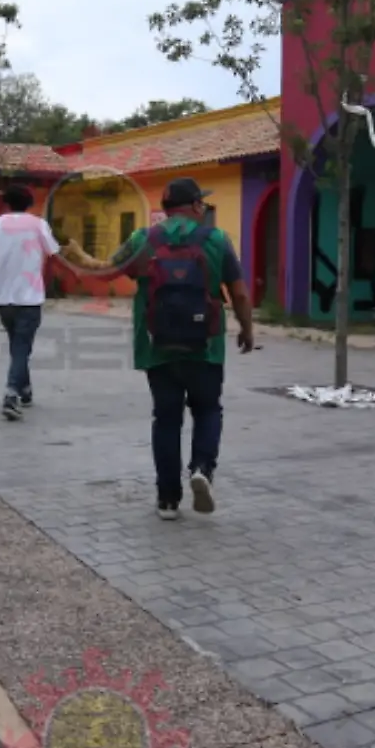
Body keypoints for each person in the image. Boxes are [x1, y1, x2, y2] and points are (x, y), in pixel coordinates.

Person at [109, 177, 255, 520]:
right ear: (195, 206)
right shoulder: (217, 239)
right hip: (205, 346)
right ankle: (202, 468)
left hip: (157, 347)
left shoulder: (143, 238)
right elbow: (240, 293)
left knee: (166, 419)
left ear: (166, 207)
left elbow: (113, 266)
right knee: (207, 410)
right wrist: (247, 329)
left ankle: (167, 500)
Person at [0, 184, 65, 420]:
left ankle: (25, 389)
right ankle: (11, 394)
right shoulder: (38, 224)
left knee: (17, 345)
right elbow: (54, 256)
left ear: (5, 204)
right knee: (22, 346)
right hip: (30, 299)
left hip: (3, 300)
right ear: (29, 203)